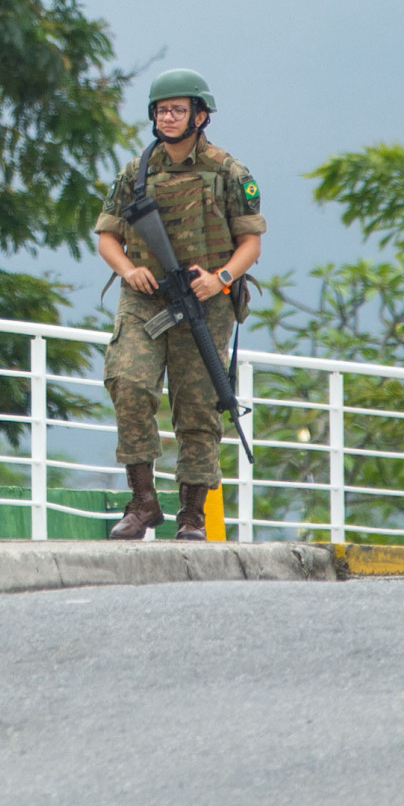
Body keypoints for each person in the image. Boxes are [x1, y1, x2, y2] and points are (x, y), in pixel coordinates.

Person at [94, 69, 264, 541]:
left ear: (200, 116)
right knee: (128, 382)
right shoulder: (137, 172)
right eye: (161, 110)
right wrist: (128, 270)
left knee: (198, 406)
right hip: (145, 299)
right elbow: (106, 235)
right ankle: (142, 501)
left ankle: (192, 514)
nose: (168, 118)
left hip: (205, 302)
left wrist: (220, 279)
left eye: (178, 110)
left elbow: (250, 243)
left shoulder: (228, 172)